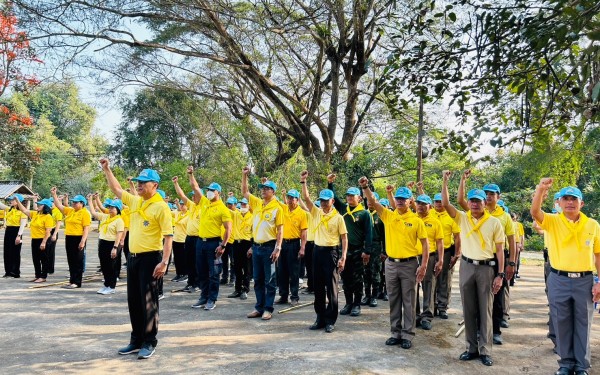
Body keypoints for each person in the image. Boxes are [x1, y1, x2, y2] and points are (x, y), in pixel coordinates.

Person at [100, 159, 173, 359]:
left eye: (144, 182)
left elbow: (168, 237)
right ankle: (136, 339)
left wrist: (164, 262)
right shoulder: (135, 200)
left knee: (148, 301)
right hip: (133, 259)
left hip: (151, 259)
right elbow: (115, 188)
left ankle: (149, 341)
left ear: (155, 186)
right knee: (133, 300)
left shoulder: (161, 207)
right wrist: (107, 169)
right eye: (138, 182)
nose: (139, 185)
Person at [531, 181, 600, 375]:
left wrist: (599, 282)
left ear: (581, 203)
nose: (570, 202)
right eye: (566, 199)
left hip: (584, 280)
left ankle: (581, 366)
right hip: (559, 279)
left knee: (583, 323)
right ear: (559, 203)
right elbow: (535, 212)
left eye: (574, 199)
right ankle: (566, 364)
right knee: (561, 322)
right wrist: (540, 189)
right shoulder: (552, 221)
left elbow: (598, 255)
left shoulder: (592, 225)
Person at [441, 170, 504, 367]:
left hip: (486, 269)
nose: (475, 204)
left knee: (486, 309)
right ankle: (471, 348)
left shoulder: (494, 222)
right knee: (468, 309)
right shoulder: (462, 218)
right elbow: (445, 204)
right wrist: (445, 181)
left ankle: (485, 350)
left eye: (478, 201)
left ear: (485, 203)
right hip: (467, 266)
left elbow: (500, 250)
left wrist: (500, 274)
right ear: (468, 203)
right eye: (472, 201)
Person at [361, 179, 428, 349]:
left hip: (409, 264)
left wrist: (424, 265)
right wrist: (365, 187)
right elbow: (374, 203)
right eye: (397, 198)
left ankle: (408, 334)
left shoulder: (416, 220)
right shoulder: (388, 216)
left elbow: (425, 244)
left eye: (403, 199)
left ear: (410, 201)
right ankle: (395, 332)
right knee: (394, 300)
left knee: (409, 301)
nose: (399, 201)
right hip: (391, 264)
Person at [458, 174, 516, 345]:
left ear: (498, 196)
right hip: (476, 257)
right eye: (487, 193)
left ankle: (495, 330)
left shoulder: (503, 216)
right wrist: (463, 181)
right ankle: (477, 332)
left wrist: (511, 262)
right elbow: (460, 200)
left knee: (495, 297)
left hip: (497, 257)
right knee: (476, 299)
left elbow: (511, 240)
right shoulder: (473, 211)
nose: (489, 196)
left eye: (492, 193)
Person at [300, 170, 348, 333]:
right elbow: (306, 198)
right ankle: (320, 318)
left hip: (331, 254)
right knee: (318, 288)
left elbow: (344, 238)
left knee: (331, 288)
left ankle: (330, 320)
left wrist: (343, 257)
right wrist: (303, 181)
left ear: (332, 201)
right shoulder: (316, 212)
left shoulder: (338, 217)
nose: (323, 203)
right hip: (317, 252)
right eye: (321, 200)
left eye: (326, 201)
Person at [327, 174, 373, 317]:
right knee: (345, 278)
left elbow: (369, 234)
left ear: (359, 198)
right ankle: (348, 303)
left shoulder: (365, 214)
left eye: (352, 196)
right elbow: (334, 199)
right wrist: (330, 183)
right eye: (348, 196)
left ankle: (357, 304)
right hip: (344, 252)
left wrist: (367, 251)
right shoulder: (343, 210)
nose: (349, 198)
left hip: (358, 250)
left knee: (357, 279)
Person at [242, 167, 284, 321]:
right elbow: (245, 192)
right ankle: (259, 307)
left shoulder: (277, 208)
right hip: (257, 247)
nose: (263, 191)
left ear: (273, 191)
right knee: (258, 279)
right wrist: (244, 175)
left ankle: (268, 308)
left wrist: (278, 248)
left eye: (267, 189)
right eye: (263, 189)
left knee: (270, 280)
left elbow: (280, 230)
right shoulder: (258, 204)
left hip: (269, 247)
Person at [188, 170, 232, 311]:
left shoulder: (223, 209)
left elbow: (228, 229)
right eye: (208, 190)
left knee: (214, 273)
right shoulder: (205, 202)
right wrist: (191, 174)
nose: (209, 192)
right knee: (201, 271)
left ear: (218, 192)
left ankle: (212, 299)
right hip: (200, 242)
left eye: (212, 190)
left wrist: (223, 246)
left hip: (214, 244)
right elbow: (195, 187)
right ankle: (203, 296)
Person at [413, 194, 444, 330]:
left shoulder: (435, 221)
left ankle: (427, 316)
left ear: (429, 207)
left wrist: (440, 260)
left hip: (430, 257)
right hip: (412, 257)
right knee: (412, 287)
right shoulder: (412, 219)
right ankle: (415, 315)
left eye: (424, 204)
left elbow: (440, 242)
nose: (420, 206)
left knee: (428, 285)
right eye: (418, 203)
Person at [51, 188, 91, 289]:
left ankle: (77, 282)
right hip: (69, 238)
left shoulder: (85, 213)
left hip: (79, 238)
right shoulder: (71, 211)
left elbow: (86, 228)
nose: (73, 204)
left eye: (76, 202)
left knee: (78, 260)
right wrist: (54, 195)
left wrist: (82, 241)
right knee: (71, 260)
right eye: (73, 202)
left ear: (82, 203)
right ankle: (72, 280)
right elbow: (59, 206)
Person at [275, 189, 308, 306]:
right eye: (288, 198)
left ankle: (294, 297)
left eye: (292, 198)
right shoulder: (283, 209)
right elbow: (274, 199)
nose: (289, 200)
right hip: (282, 243)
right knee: (282, 271)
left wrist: (302, 247)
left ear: (297, 200)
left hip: (294, 244)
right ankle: (283, 296)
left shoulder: (302, 213)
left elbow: (304, 232)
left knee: (293, 272)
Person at [432, 193, 461, 319]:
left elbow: (457, 236)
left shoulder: (451, 216)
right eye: (436, 201)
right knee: (431, 280)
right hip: (431, 252)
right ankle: (431, 306)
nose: (438, 204)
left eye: (440, 201)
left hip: (447, 251)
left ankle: (443, 307)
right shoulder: (429, 214)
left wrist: (457, 254)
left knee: (444, 279)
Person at [172, 173, 203, 293]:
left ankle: (197, 284)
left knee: (197, 262)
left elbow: (196, 187)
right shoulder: (191, 206)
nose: (193, 198)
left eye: (195, 196)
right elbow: (181, 195)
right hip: (189, 238)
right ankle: (190, 283)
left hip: (198, 238)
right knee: (189, 261)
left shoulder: (204, 206)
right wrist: (176, 183)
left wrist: (191, 175)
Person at [88, 195, 125, 295]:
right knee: (104, 265)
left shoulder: (119, 220)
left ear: (118, 209)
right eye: (109, 207)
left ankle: (111, 286)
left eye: (113, 208)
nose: (110, 209)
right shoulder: (105, 217)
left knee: (111, 266)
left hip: (112, 244)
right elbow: (93, 213)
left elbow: (119, 234)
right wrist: (90, 201)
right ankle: (106, 284)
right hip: (103, 242)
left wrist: (115, 248)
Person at [16, 197, 54, 283]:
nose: (38, 205)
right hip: (35, 239)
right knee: (35, 258)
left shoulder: (48, 217)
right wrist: (18, 200)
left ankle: (43, 276)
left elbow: (48, 231)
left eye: (40, 204)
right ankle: (37, 275)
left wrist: (44, 242)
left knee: (44, 259)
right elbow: (24, 210)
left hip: (43, 239)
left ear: (46, 206)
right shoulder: (35, 214)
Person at [228, 197, 253, 300]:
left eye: (245, 204)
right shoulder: (236, 214)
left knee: (246, 268)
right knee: (236, 267)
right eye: (241, 204)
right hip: (236, 243)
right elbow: (228, 210)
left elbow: (254, 233)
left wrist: (252, 247)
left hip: (247, 244)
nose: (243, 206)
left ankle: (245, 289)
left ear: (249, 206)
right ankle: (237, 289)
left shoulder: (252, 217)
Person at [363, 192, 384, 307]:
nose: (370, 203)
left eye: (372, 201)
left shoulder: (380, 215)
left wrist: (384, 251)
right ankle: (367, 295)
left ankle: (374, 296)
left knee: (375, 271)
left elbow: (384, 235)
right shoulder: (364, 214)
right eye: (368, 201)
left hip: (376, 245)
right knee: (365, 272)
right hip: (366, 245)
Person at [1, 195, 27, 278]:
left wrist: (19, 236)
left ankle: (15, 272)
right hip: (8, 231)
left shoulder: (23, 212)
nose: (11, 201)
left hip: (17, 231)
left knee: (15, 252)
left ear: (18, 201)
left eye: (13, 200)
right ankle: (8, 271)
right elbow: (0, 205)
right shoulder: (10, 209)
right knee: (7, 252)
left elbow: (22, 225)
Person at [171, 200, 189, 282]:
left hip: (183, 239)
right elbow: (169, 212)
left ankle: (185, 274)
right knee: (177, 258)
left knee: (184, 258)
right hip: (176, 239)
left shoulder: (189, 215)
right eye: (181, 204)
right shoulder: (177, 213)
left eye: (183, 205)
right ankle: (178, 274)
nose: (181, 206)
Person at [46, 197, 63, 275]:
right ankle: (46, 267)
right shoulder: (48, 211)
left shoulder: (57, 212)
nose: (50, 204)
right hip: (47, 231)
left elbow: (58, 224)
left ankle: (50, 269)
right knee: (46, 250)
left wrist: (54, 234)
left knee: (51, 251)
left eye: (52, 203)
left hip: (53, 231)